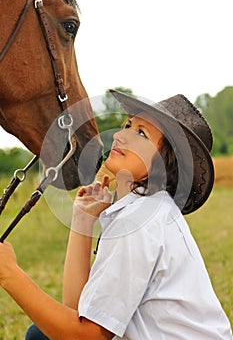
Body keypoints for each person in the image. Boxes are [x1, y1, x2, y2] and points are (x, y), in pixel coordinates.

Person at [0, 90, 232, 340]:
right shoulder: (143, 208)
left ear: (165, 162)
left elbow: (88, 336)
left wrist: (9, 274)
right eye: (128, 126)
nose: (121, 136)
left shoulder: (142, 221)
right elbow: (77, 310)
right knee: (41, 334)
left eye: (141, 134)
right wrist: (82, 221)